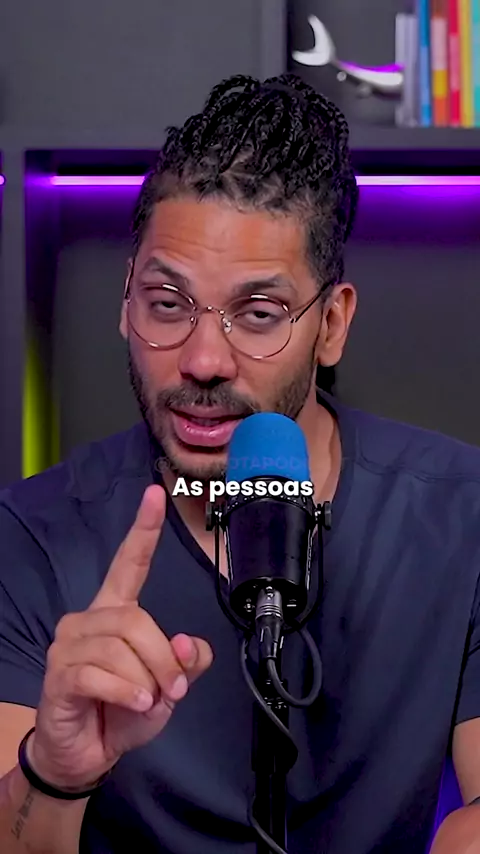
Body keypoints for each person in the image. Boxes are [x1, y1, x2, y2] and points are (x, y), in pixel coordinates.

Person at [0, 72, 479, 854]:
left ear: (332, 325)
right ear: (125, 301)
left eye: (258, 315)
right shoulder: (31, 536)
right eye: (167, 304)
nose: (202, 360)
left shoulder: (462, 514)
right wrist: (53, 773)